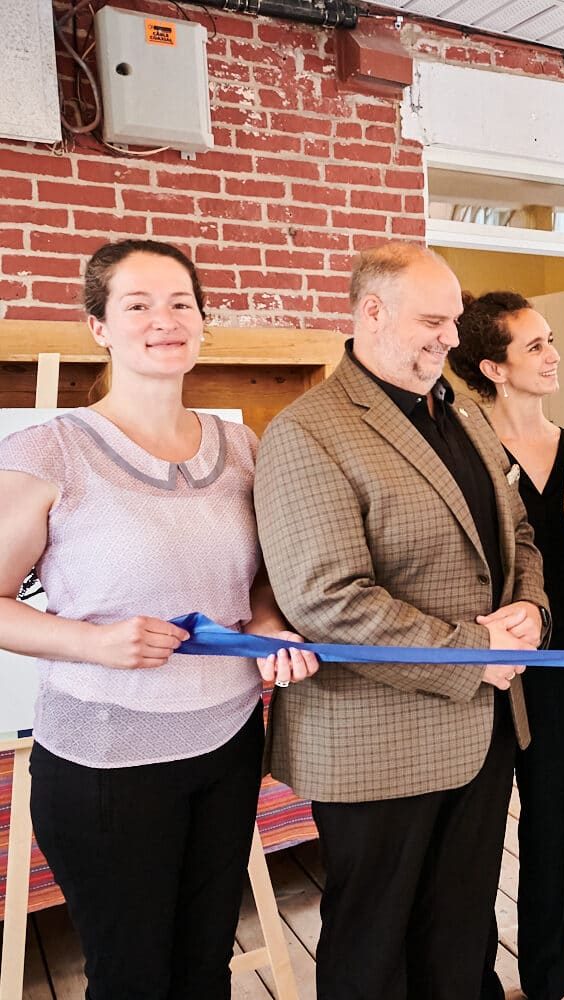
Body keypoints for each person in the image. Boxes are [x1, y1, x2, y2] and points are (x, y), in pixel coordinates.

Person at [0, 239, 317, 999]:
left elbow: (258, 580)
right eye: (137, 305)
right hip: (107, 762)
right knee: (133, 979)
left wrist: (267, 625)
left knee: (205, 968)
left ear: (203, 320)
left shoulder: (241, 445)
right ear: (99, 327)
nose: (164, 321)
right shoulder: (50, 451)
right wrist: (94, 643)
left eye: (180, 303)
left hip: (228, 745)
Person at [253, 243, 549, 1000]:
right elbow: (327, 599)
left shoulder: (461, 412)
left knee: (462, 930)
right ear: (372, 312)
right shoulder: (307, 430)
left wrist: (531, 608)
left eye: (454, 321)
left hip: (483, 727)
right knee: (373, 946)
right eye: (432, 321)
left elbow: (515, 533)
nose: (451, 338)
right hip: (376, 741)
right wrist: (474, 651)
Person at [449, 290, 564, 1000]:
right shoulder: (461, 449)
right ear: (493, 368)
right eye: (534, 346)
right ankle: (475, 980)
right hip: (488, 664)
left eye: (550, 340)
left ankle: (549, 979)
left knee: (556, 826)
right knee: (474, 836)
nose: (553, 355)